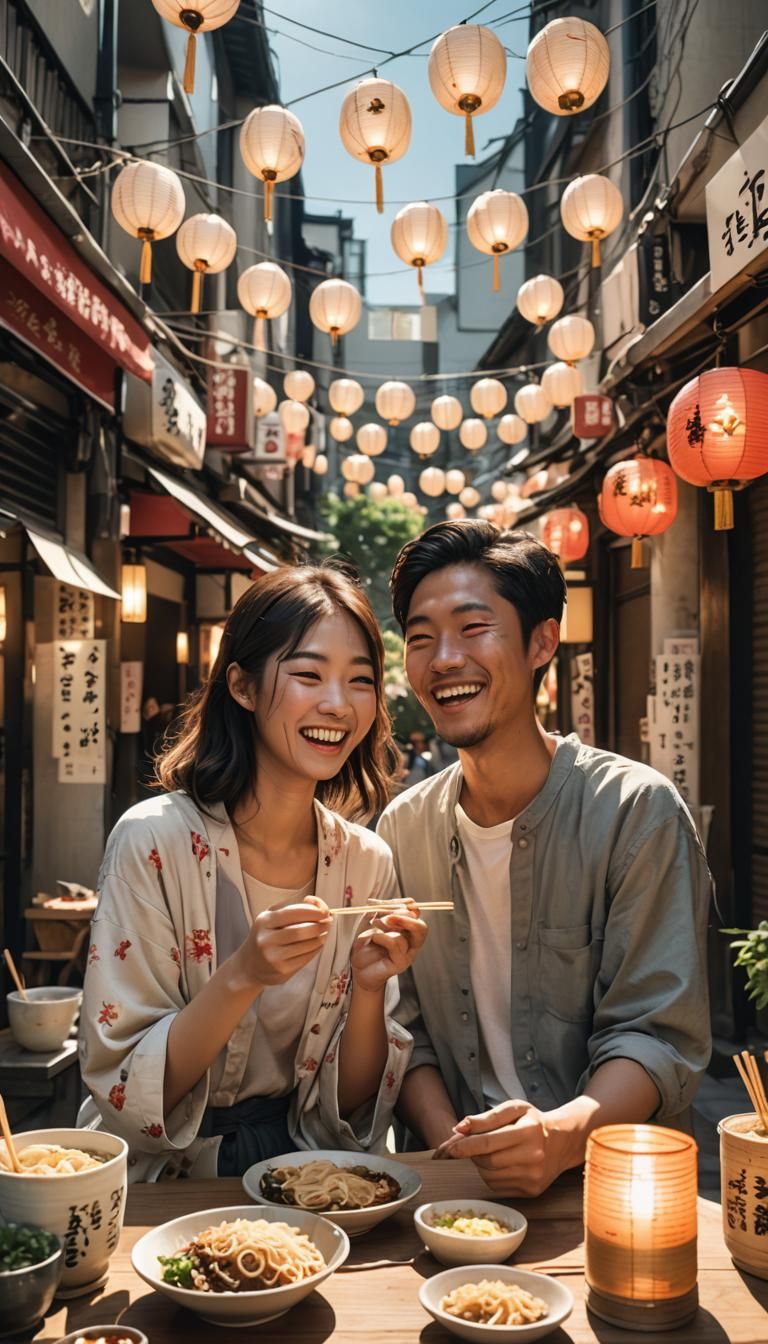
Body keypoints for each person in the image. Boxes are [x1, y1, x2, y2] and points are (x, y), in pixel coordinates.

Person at [377, 520, 711, 1197]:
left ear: (541, 642)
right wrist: (457, 1151)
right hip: (452, 1198)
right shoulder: (402, 829)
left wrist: (559, 1138)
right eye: (420, 637)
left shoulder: (634, 811)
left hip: (610, 1187)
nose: (444, 659)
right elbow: (403, 1029)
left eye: (473, 629)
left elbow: (657, 1033)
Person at [80, 565, 427, 1180]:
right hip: (157, 1182)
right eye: (308, 675)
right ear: (241, 685)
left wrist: (370, 988)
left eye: (360, 681)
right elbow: (128, 1084)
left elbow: (347, 1108)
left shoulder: (365, 861)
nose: (337, 704)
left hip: (299, 1177)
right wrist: (242, 975)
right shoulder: (153, 841)